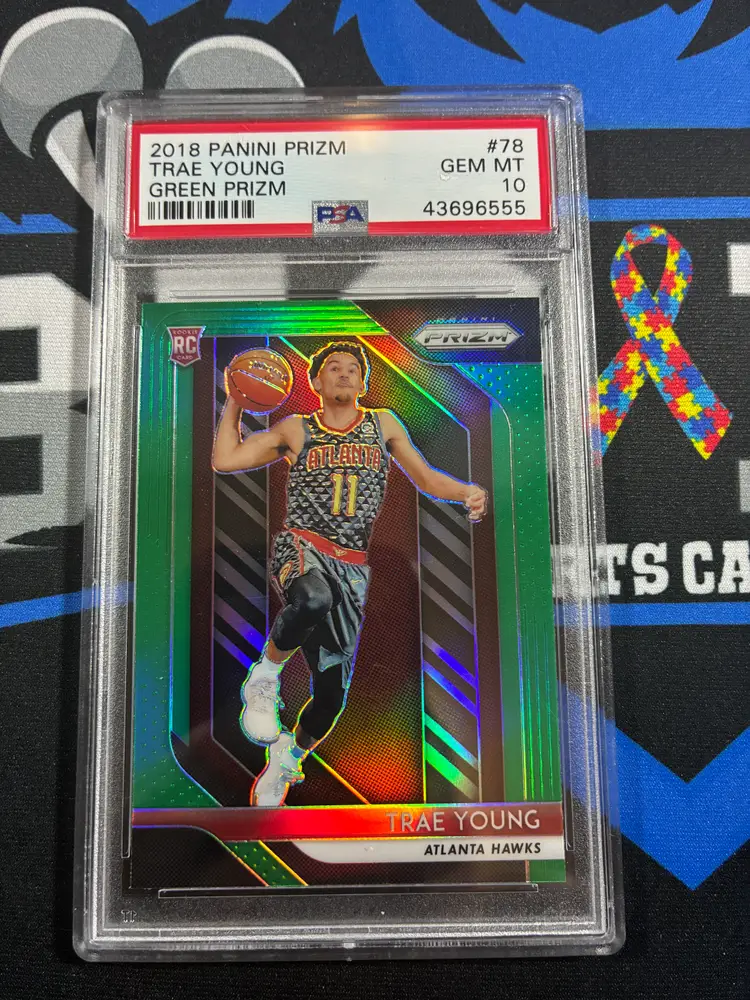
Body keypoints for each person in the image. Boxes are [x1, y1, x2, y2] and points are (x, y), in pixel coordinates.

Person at [213, 341, 487, 806]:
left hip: (352, 566)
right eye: (334, 368)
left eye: (353, 369)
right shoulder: (296, 428)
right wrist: (236, 400)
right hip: (303, 547)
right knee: (312, 599)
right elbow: (226, 459)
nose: (344, 373)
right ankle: (264, 678)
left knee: (330, 699)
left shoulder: (384, 423)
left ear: (363, 383)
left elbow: (425, 477)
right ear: (316, 382)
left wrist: (466, 491)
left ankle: (287, 757)